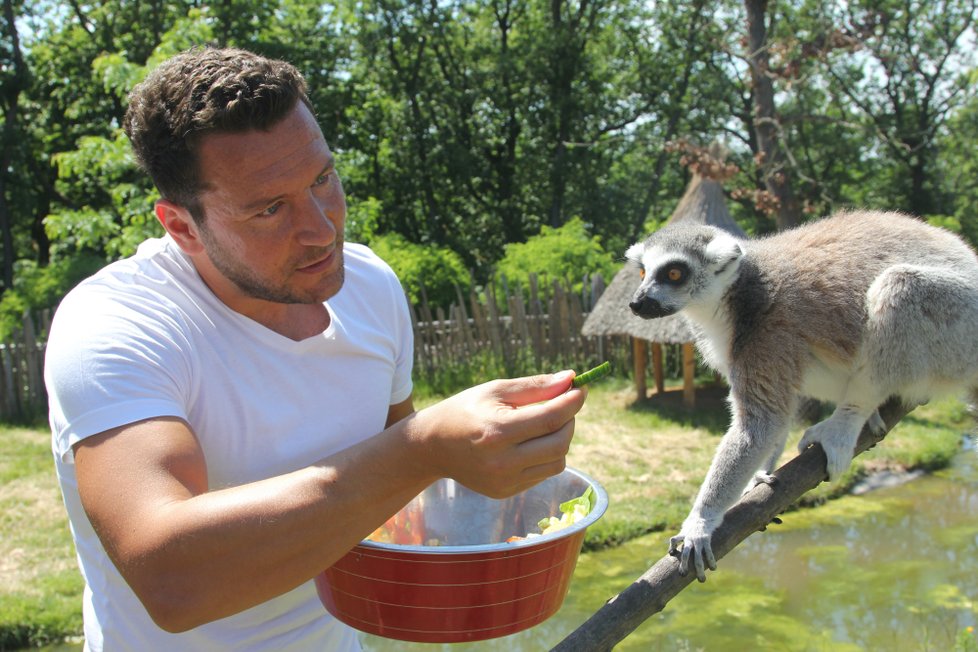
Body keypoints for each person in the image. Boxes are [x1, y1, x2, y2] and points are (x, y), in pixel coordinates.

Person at [44, 46, 587, 651]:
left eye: (322, 179)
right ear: (181, 226)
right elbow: (172, 579)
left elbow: (392, 501)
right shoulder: (117, 326)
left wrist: (475, 470)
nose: (323, 230)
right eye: (270, 208)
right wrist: (424, 449)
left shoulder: (371, 287)